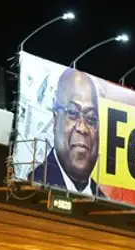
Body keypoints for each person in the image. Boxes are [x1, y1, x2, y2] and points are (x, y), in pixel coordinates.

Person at [31, 68, 104, 196]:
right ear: (55, 120)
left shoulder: (104, 202)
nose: (82, 128)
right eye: (73, 113)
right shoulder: (33, 184)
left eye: (91, 119)